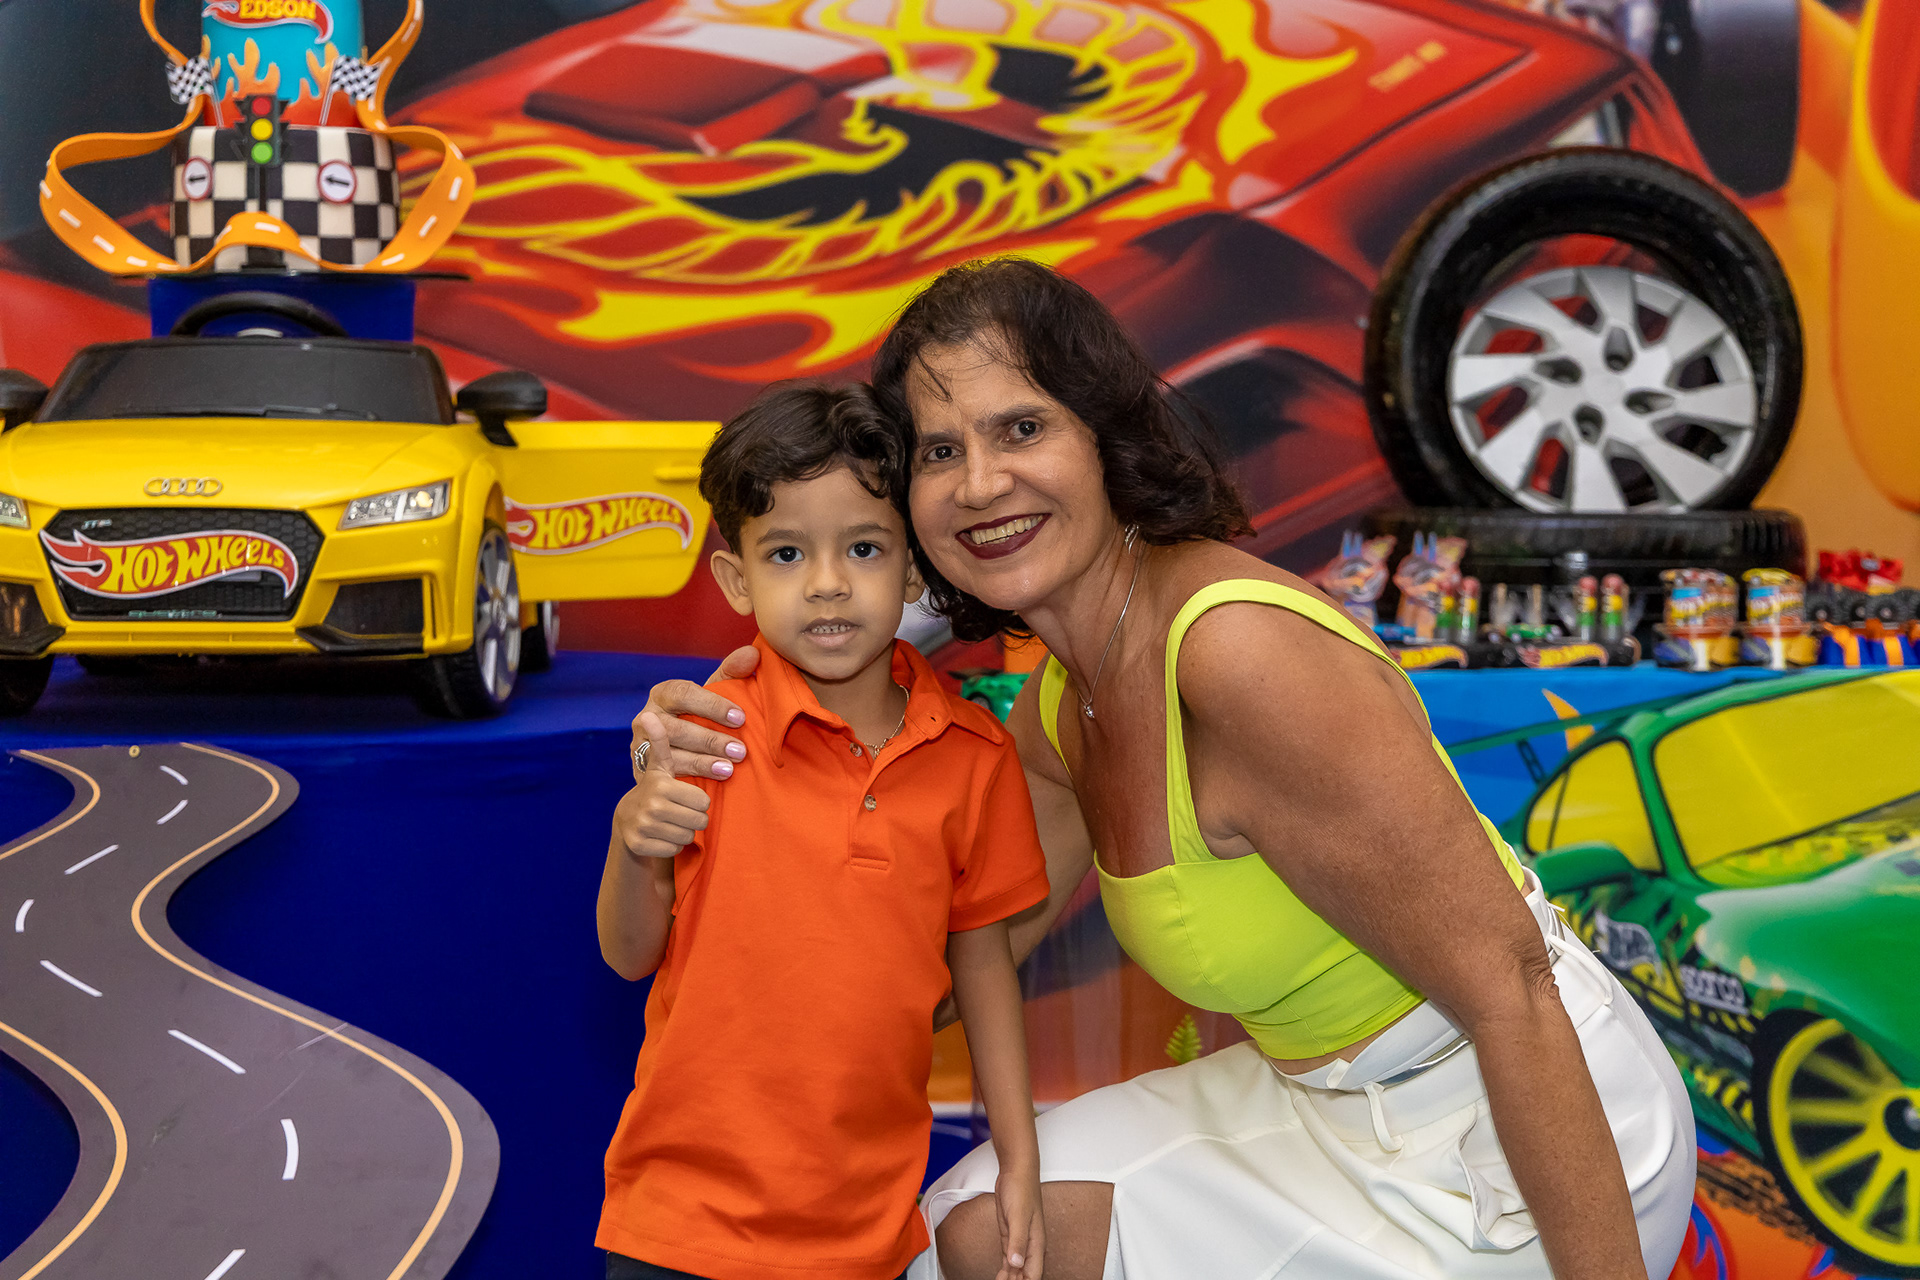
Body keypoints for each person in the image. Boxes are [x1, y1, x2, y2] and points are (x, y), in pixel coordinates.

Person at [634, 260, 1697, 1280]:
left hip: (1514, 1135)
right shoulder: (1062, 705)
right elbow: (929, 964)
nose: (982, 483)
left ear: (1106, 436)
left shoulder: (1237, 653)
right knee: (978, 1234)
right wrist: (736, 759)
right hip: (1318, 1113)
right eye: (940, 450)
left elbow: (1515, 992)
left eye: (1022, 428)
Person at [597, 381, 1052, 1280]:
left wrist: (1020, 1156)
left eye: (865, 548)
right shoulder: (705, 733)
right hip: (678, 1224)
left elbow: (984, 966)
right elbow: (625, 954)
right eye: (787, 553)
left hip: (864, 1234)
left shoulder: (976, 756)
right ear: (737, 579)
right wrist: (630, 834)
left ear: (914, 569)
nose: (829, 582)